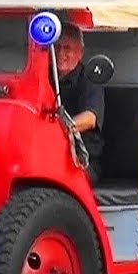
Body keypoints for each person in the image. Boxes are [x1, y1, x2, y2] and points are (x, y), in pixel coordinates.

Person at [54, 22, 105, 183]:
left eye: (67, 48)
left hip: (83, 160)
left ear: (80, 53)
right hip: (49, 155)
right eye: (57, 47)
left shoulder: (89, 80)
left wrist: (57, 130)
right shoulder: (45, 77)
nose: (60, 53)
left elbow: (90, 118)